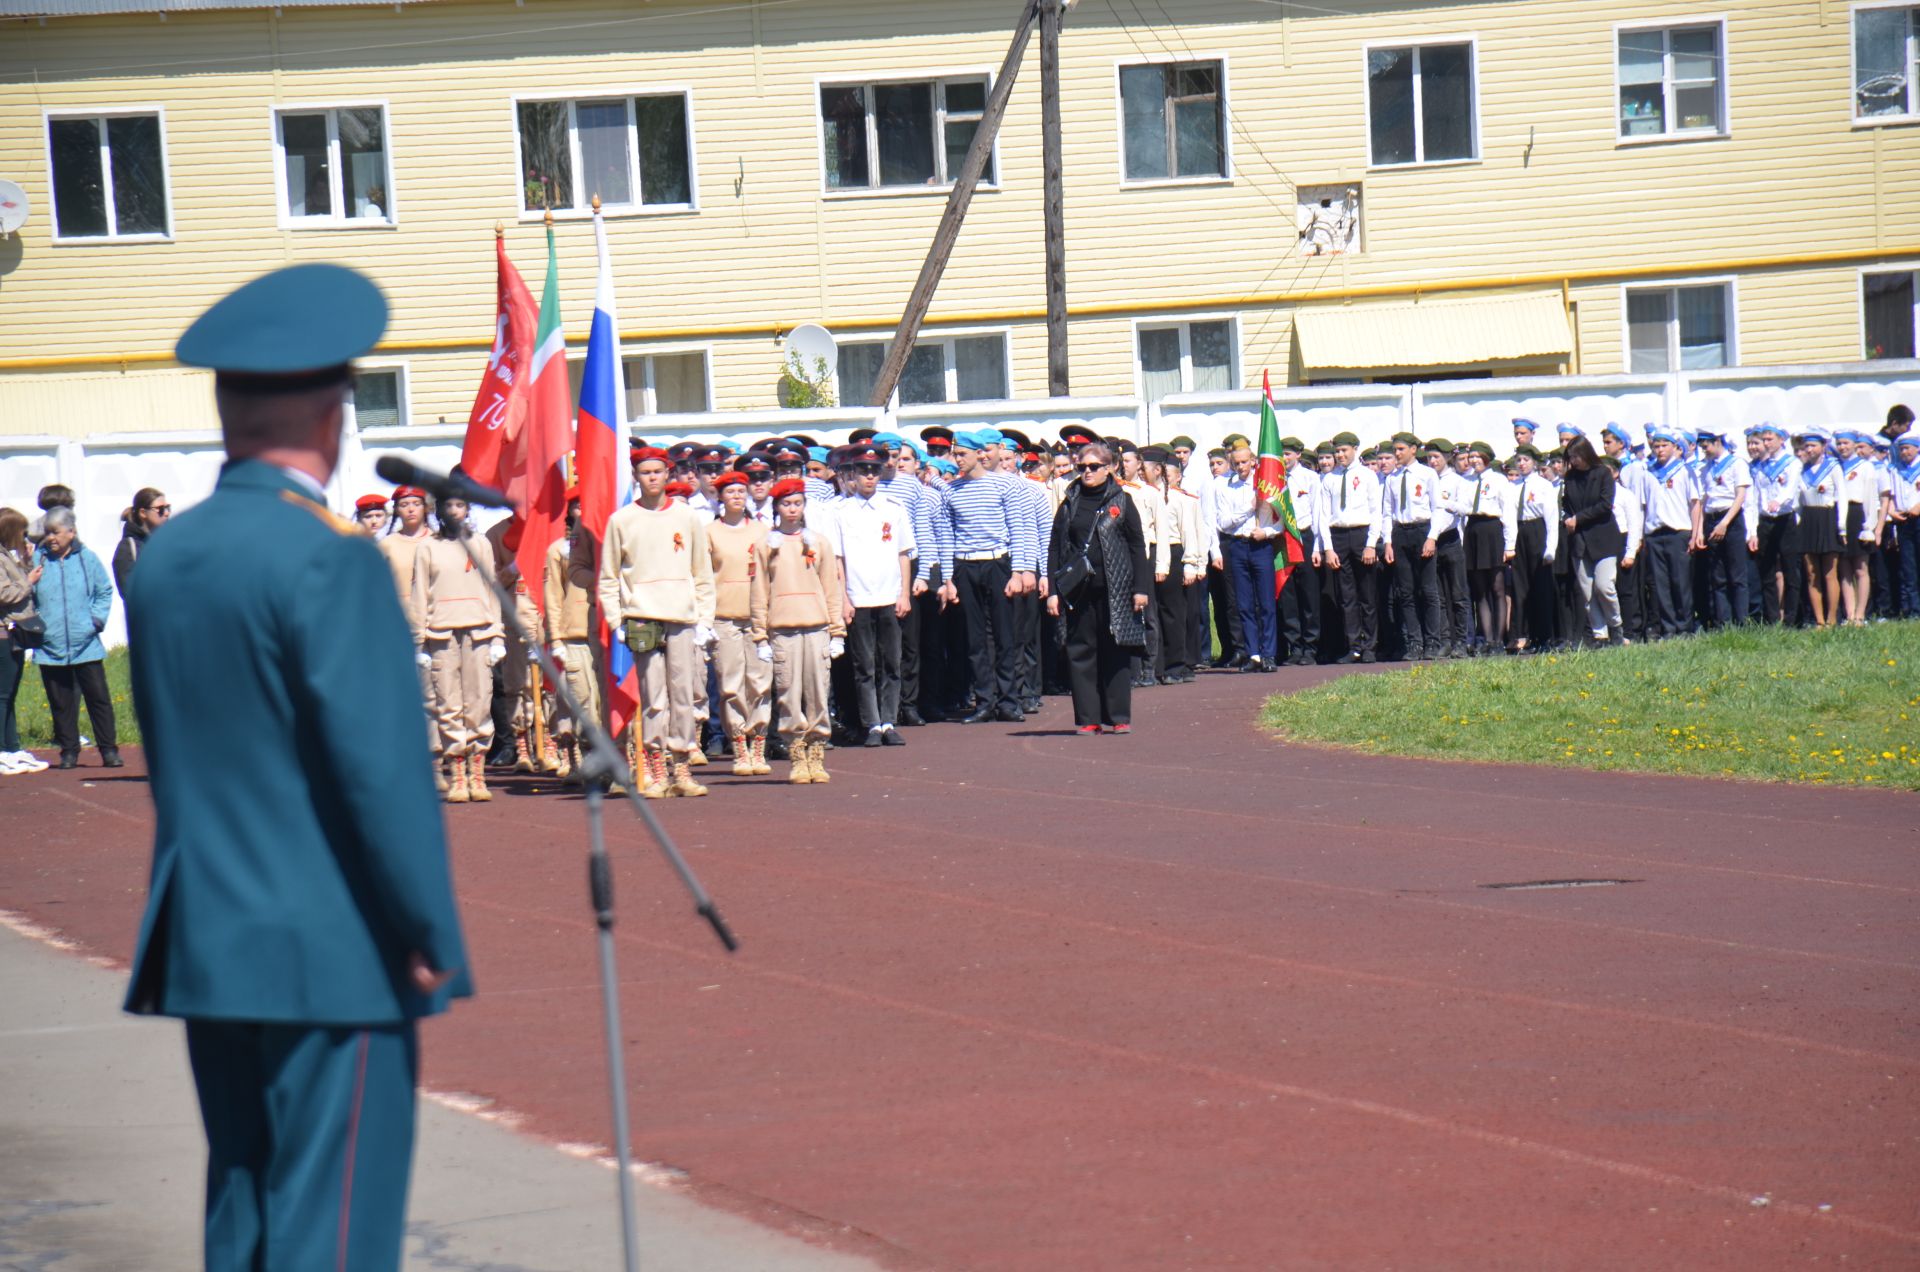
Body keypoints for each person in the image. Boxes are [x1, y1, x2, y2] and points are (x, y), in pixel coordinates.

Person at [123, 262, 470, 1272]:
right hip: (332, 944)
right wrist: (425, 927)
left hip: (208, 930)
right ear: (333, 414)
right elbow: (379, 772)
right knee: (335, 1225)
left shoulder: (171, 556)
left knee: (244, 1207)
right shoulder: (327, 555)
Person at [598, 446, 717, 799]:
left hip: (681, 615)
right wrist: (616, 617)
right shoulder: (622, 520)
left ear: (668, 475)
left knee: (683, 694)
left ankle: (681, 764)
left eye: (658, 471)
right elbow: (608, 576)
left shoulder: (687, 516)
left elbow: (702, 571)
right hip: (642, 616)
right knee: (653, 697)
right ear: (636, 477)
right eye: (645, 472)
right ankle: (654, 765)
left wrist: (704, 619)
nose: (652, 478)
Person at [936, 432, 1039, 723]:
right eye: (955, 455)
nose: (957, 460)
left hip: (998, 563)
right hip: (966, 566)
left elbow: (1017, 528)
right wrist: (948, 579)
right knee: (974, 637)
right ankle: (984, 701)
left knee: (1005, 635)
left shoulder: (1003, 485)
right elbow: (947, 536)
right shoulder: (951, 490)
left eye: (961, 455)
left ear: (978, 455)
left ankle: (1009, 700)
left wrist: (1019, 571)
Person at [1047, 443, 1149, 734]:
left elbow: (1136, 545)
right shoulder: (1070, 502)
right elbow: (1056, 545)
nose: (1087, 472)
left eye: (1094, 467)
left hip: (1115, 588)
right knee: (1081, 651)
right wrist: (1054, 590)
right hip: (1079, 590)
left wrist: (1140, 588)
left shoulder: (1123, 500)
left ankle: (1118, 716)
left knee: (1115, 651)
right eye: (1082, 468)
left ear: (1109, 468)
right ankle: (1088, 718)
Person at [752, 478, 847, 783]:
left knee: (818, 691)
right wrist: (760, 635)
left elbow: (831, 588)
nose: (792, 510)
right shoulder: (766, 545)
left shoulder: (818, 542)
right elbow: (758, 592)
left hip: (816, 626)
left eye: (797, 503)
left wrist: (837, 631)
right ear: (777, 507)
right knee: (788, 694)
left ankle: (816, 751)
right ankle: (796, 752)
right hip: (782, 629)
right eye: (786, 504)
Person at [412, 493, 505, 803]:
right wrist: (419, 642)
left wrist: (497, 635)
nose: (454, 511)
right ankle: (458, 773)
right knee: (448, 703)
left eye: (460, 505)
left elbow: (492, 589)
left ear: (467, 510)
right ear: (438, 511)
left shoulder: (480, 543)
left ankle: (477, 772)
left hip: (479, 629)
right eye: (448, 506)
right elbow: (419, 594)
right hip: (440, 633)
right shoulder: (428, 546)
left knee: (479, 700)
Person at [833, 443, 915, 747]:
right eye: (863, 471)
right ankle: (871, 724)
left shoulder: (892, 507)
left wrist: (904, 593)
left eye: (874, 471)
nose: (869, 477)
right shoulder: (841, 511)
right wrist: (843, 598)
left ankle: (890, 721)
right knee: (863, 665)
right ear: (853, 474)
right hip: (858, 597)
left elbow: (904, 553)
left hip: (888, 594)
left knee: (892, 663)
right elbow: (838, 559)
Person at [31, 506, 120, 769]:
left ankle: (109, 750)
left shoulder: (87, 558)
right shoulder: (39, 560)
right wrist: (38, 625)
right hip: (51, 645)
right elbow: (29, 594)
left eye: (56, 532)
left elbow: (104, 591)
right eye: (47, 533)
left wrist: (95, 621)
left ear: (71, 532)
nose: (51, 538)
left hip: (87, 644)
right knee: (61, 703)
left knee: (99, 700)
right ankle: (69, 751)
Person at [706, 472, 772, 774]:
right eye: (730, 491)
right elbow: (704, 577)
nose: (736, 496)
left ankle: (758, 743)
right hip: (724, 616)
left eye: (740, 491)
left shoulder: (762, 531)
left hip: (757, 617)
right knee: (731, 684)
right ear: (720, 497)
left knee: (759, 682)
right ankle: (739, 747)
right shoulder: (709, 532)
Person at [540, 490, 594, 780]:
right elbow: (553, 595)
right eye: (577, 506)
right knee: (577, 699)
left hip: (604, 632)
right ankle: (577, 758)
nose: (583, 511)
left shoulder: (605, 544)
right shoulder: (560, 549)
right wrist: (556, 637)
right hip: (573, 633)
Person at [1211, 446, 1279, 672]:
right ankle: (1254, 654)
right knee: (1244, 604)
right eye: (1236, 463)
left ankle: (1269, 653)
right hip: (1237, 545)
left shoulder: (1264, 484)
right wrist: (1249, 508)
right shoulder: (1226, 487)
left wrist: (1267, 532)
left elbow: (1281, 520)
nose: (1240, 467)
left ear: (1253, 461)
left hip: (1260, 544)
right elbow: (1224, 522)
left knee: (1266, 603)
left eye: (1244, 462)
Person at [1380, 433, 1445, 661]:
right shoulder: (1392, 478)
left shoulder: (1427, 474)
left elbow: (1438, 507)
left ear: (1413, 450)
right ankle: (1415, 643)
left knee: (1428, 590)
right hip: (1401, 533)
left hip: (1421, 530)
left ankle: (1433, 642)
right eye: (1395, 450)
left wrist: (1432, 537)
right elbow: (1387, 512)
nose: (1397, 454)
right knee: (1405, 592)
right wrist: (1388, 541)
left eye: (1400, 449)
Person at [1560, 438, 1625, 646]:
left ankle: (1616, 627)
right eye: (1570, 458)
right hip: (1579, 541)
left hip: (1603, 538)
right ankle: (1600, 635)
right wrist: (1567, 518)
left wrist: (1578, 519)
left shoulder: (1602, 474)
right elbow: (1566, 504)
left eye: (1576, 456)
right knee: (1587, 591)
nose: (1574, 461)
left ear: (1586, 453)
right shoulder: (1570, 478)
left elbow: (1605, 505)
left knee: (1604, 586)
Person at [0, 508, 49, 775]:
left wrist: (27, 564)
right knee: (3, 694)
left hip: (15, 631)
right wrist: (28, 581)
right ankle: (2, 749)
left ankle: (12, 746)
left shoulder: (8, 556)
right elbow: (5, 593)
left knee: (11, 693)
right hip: (3, 632)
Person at [1458, 442, 1517, 655]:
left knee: (1497, 587)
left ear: (1487, 457)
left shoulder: (1499, 481)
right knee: (1480, 590)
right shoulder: (1467, 481)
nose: (1473, 460)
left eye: (1477, 456)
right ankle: (1487, 637)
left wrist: (1510, 545)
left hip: (1492, 530)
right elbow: (1464, 507)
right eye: (1470, 456)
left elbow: (1508, 513)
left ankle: (1498, 641)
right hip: (1473, 530)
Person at [1695, 429, 1753, 627]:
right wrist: (1702, 528)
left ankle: (1741, 622)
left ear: (1718, 441)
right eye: (1702, 447)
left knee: (1736, 575)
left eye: (1707, 446)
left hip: (1731, 518)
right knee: (1717, 576)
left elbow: (1740, 496)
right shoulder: (1706, 468)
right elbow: (1704, 498)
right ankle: (1723, 623)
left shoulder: (1737, 464)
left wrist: (1725, 523)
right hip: (1712, 519)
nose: (1705, 451)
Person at [1793, 428, 1845, 627]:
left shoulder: (1833, 467)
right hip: (1808, 519)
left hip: (1828, 517)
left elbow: (1842, 497)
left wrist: (1842, 527)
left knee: (1830, 572)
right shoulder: (1802, 469)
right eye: (1806, 446)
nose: (1809, 449)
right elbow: (1798, 499)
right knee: (1812, 573)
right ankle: (1819, 620)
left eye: (1813, 445)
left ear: (1823, 447)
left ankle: (1832, 619)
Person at [111, 487, 170, 600]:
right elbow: (129, 592)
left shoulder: (166, 543)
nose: (166, 513)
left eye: (168, 508)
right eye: (160, 509)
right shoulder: (128, 547)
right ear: (143, 513)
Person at [1889, 430, 1920, 618]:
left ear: (1917, 448)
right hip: (1903, 520)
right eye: (1901, 449)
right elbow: (1890, 495)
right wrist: (1892, 510)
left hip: (1918, 517)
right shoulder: (1894, 469)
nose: (1904, 452)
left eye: (1907, 448)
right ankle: (1913, 609)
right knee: (1908, 567)